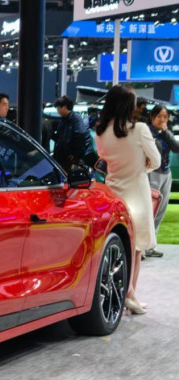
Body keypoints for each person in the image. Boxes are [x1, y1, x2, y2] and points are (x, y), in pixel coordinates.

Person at [94, 85, 161, 315]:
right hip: (137, 193)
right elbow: (156, 160)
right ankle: (130, 295)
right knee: (136, 248)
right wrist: (143, 166)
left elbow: (104, 159)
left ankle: (124, 295)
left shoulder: (100, 132)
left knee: (117, 246)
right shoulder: (139, 129)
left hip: (113, 193)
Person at [145, 104, 179, 258]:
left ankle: (151, 246)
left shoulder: (165, 133)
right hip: (152, 173)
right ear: (152, 117)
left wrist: (166, 132)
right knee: (150, 210)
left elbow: (177, 148)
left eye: (165, 116)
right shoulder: (147, 132)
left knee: (161, 210)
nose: (162, 119)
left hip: (166, 173)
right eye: (159, 116)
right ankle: (143, 246)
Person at [52, 95, 93, 173]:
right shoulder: (63, 120)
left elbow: (80, 135)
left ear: (64, 107)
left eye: (58, 108)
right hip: (61, 158)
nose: (57, 111)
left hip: (70, 159)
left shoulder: (76, 118)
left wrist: (75, 154)